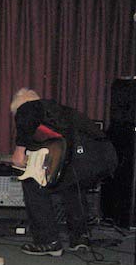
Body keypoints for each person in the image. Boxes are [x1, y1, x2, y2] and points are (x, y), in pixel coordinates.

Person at [10, 88, 117, 256]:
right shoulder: (60, 112)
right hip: (103, 156)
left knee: (33, 183)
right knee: (72, 187)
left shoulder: (28, 107)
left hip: (81, 156)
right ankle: (80, 238)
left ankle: (48, 242)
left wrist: (19, 150)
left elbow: (27, 115)